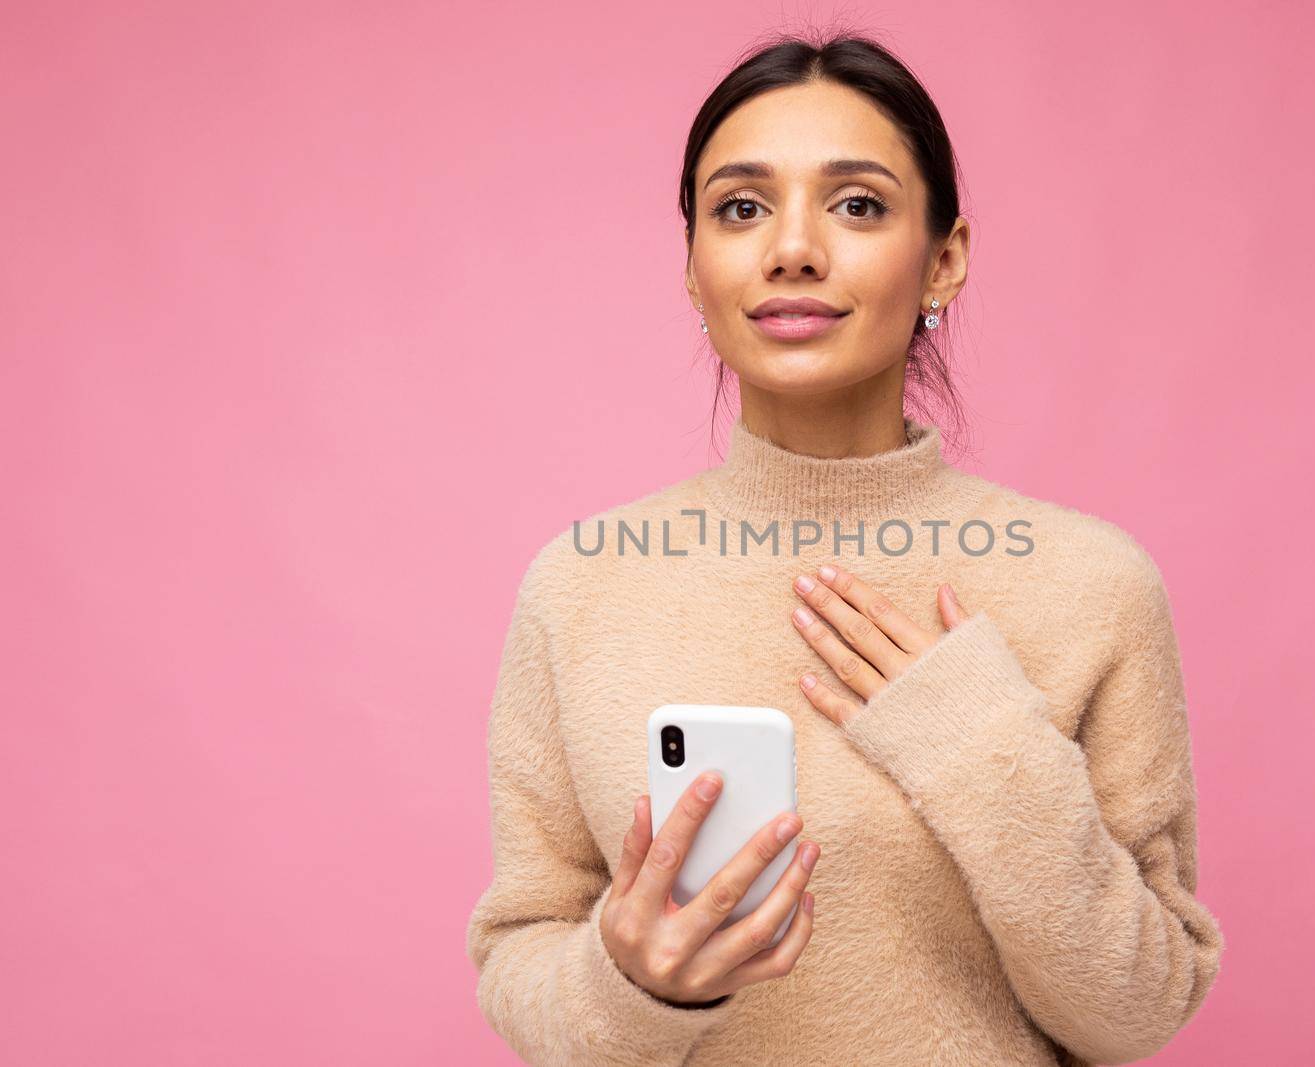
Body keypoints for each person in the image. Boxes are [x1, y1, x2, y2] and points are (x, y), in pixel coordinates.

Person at [465, 30, 1224, 1067]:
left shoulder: (1090, 584)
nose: (792, 248)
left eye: (856, 204)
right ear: (692, 266)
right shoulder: (583, 582)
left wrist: (975, 743)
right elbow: (519, 954)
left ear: (943, 260)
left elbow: (1137, 1009)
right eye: (740, 207)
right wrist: (630, 979)